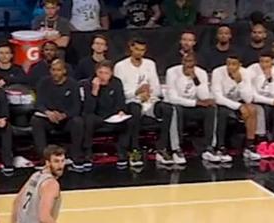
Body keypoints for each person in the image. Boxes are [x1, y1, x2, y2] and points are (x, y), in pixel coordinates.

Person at [114, 38, 174, 166]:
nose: (139, 53)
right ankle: (134, 150)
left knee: (167, 109)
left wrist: (149, 94)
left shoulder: (150, 64)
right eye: (137, 49)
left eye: (142, 50)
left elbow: (157, 88)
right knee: (135, 109)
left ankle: (161, 148)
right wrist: (137, 92)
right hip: (131, 101)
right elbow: (119, 91)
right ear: (131, 48)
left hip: (149, 100)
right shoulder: (120, 66)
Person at [31, 59, 84, 168]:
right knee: (36, 121)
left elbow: (77, 107)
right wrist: (48, 113)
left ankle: (76, 158)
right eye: (53, 70)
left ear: (64, 71)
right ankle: (44, 159)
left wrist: (64, 115)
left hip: (66, 120)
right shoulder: (43, 82)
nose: (55, 73)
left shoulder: (73, 84)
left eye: (58, 70)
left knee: (78, 121)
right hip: (48, 119)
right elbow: (38, 103)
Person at [165, 53, 217, 164]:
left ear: (195, 62)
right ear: (182, 61)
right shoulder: (172, 72)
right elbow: (173, 98)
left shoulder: (201, 73)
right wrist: (195, 102)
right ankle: (176, 149)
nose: (188, 64)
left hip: (193, 106)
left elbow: (204, 97)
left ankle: (208, 148)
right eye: (185, 61)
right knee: (176, 109)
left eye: (190, 61)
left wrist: (195, 79)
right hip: (179, 106)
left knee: (211, 109)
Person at [211, 55, 261, 162]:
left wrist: (240, 82)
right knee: (223, 112)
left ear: (239, 65)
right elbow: (218, 98)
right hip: (222, 103)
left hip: (238, 101)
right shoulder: (217, 72)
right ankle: (220, 147)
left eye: (234, 64)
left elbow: (248, 98)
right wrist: (239, 106)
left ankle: (249, 146)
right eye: (228, 64)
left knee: (252, 109)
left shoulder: (245, 73)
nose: (230, 67)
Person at [82, 61, 131, 169]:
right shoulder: (88, 84)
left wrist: (121, 111)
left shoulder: (116, 82)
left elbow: (121, 102)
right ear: (96, 72)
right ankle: (87, 152)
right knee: (89, 119)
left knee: (127, 120)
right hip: (96, 117)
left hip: (112, 117)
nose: (103, 76)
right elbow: (88, 110)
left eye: (106, 73)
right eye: (100, 72)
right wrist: (94, 91)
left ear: (111, 74)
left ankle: (122, 151)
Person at [247, 51, 274, 158]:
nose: (264, 64)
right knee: (261, 110)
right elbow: (252, 95)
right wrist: (263, 78)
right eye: (261, 61)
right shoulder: (251, 70)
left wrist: (270, 79)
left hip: (272, 100)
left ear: (272, 62)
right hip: (256, 101)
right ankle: (261, 141)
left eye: (267, 62)